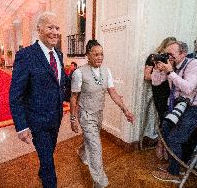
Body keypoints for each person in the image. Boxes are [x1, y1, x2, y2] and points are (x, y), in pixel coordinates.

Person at [9, 12, 67, 188]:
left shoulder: (59, 54)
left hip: (56, 118)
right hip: (37, 121)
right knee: (50, 166)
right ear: (39, 29)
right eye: (50, 27)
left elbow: (60, 83)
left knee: (48, 154)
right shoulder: (26, 55)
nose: (55, 32)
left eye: (57, 28)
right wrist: (21, 126)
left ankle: (43, 170)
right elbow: (15, 94)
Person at [70, 39, 134, 188]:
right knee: (96, 147)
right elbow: (73, 97)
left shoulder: (106, 71)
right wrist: (73, 119)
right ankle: (100, 183)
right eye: (96, 54)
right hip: (85, 114)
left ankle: (81, 152)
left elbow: (113, 92)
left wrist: (125, 110)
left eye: (102, 54)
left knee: (90, 140)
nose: (100, 57)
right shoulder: (79, 73)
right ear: (88, 55)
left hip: (98, 113)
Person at [151, 41, 197, 183]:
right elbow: (155, 82)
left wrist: (170, 72)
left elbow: (188, 88)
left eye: (171, 54)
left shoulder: (195, 64)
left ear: (183, 53)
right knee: (165, 130)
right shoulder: (173, 66)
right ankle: (174, 165)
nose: (168, 57)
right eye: (167, 54)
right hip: (180, 105)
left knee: (174, 138)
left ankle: (174, 174)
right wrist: (158, 69)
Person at [144, 37, 176, 160]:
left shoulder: (172, 59)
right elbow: (146, 76)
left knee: (171, 120)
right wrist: (157, 71)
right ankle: (160, 144)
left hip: (172, 91)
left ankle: (165, 145)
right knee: (164, 119)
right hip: (159, 92)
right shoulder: (154, 57)